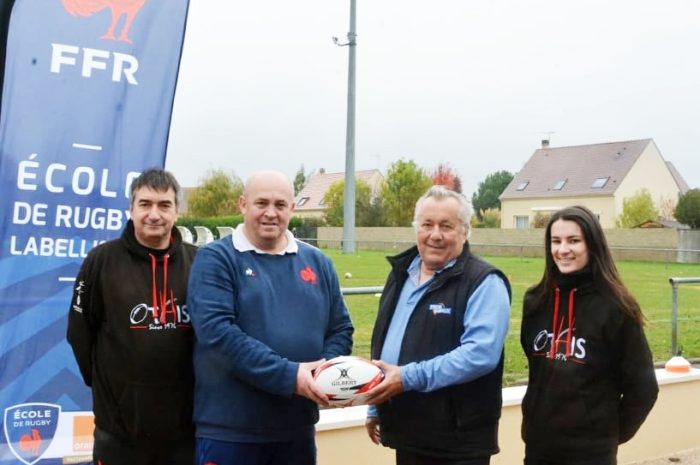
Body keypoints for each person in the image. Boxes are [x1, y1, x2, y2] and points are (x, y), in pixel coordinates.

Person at [187, 170, 354, 465]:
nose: (270, 213)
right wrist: (290, 376)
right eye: (261, 203)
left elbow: (340, 329)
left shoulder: (318, 262)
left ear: (292, 208)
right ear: (243, 205)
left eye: (280, 205)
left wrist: (322, 376)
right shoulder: (216, 259)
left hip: (297, 431)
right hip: (231, 433)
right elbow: (218, 335)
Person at [364, 185, 511, 465]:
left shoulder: (484, 282)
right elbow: (385, 342)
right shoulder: (401, 274)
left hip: (457, 445)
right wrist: (376, 406)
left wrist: (407, 377)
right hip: (409, 435)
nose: (435, 235)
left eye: (447, 226)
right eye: (427, 224)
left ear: (465, 231)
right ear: (415, 228)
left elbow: (480, 355)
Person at [67, 168, 198, 465]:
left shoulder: (200, 262)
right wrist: (112, 391)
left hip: (185, 433)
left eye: (164, 205)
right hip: (119, 435)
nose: (154, 214)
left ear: (177, 211)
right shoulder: (101, 261)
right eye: (145, 204)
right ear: (131, 209)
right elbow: (78, 333)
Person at [520, 205, 658, 465]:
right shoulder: (536, 301)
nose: (563, 250)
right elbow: (536, 371)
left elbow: (643, 388)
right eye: (556, 241)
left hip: (591, 453)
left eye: (574, 240)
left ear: (592, 245)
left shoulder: (616, 307)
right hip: (539, 446)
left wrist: (609, 434)